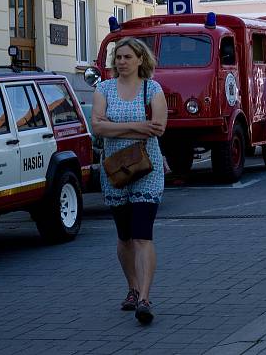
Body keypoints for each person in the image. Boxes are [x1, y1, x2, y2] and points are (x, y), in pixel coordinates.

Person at [91, 37, 168, 325]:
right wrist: (137, 127)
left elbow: (158, 128)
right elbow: (97, 127)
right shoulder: (104, 88)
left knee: (141, 234)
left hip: (148, 170)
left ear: (140, 60)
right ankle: (132, 289)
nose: (121, 62)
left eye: (127, 57)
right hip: (115, 172)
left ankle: (145, 299)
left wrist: (116, 129)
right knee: (124, 236)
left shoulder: (152, 88)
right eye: (118, 57)